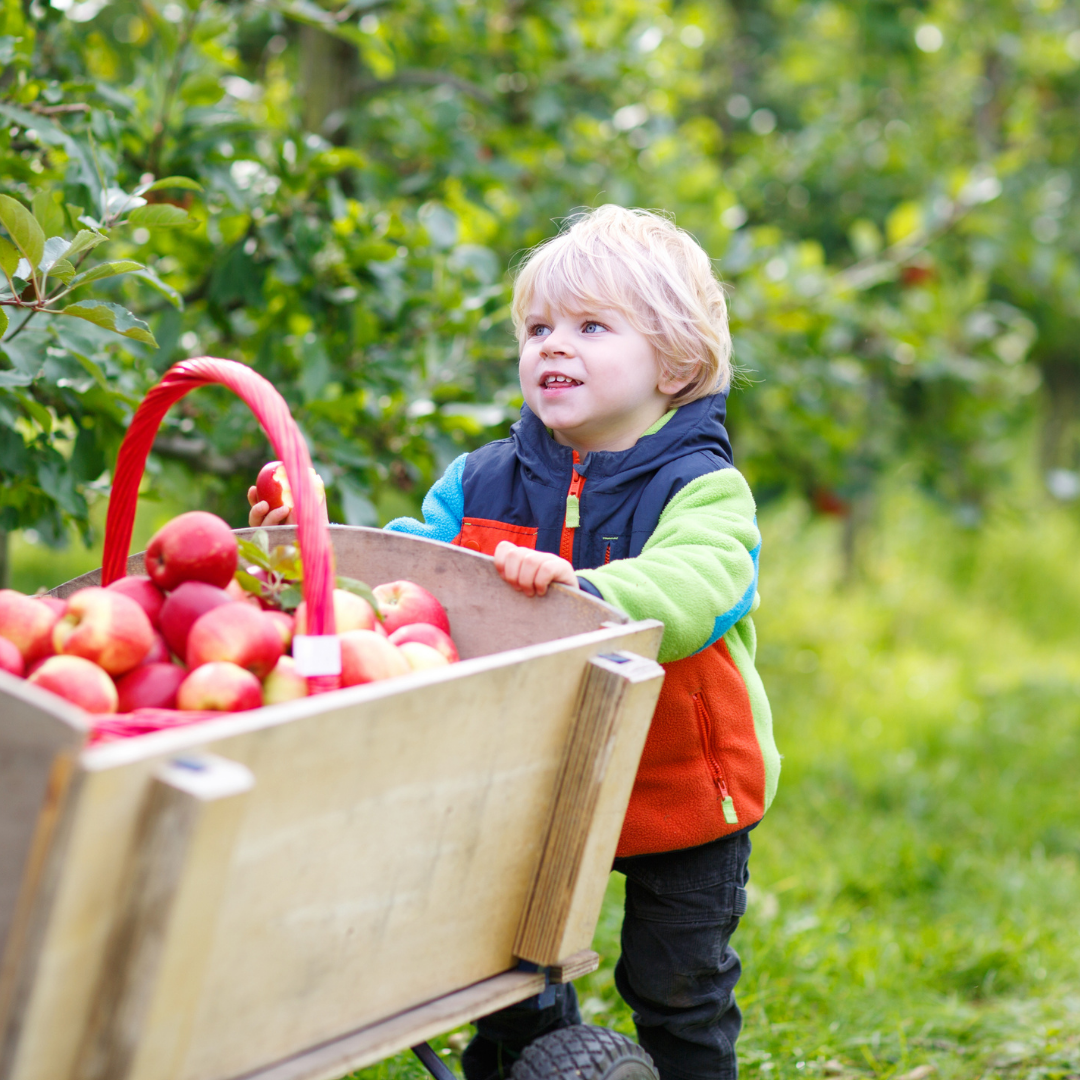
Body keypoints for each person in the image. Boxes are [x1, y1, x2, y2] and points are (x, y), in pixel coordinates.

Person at [248, 205, 779, 1080]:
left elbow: (699, 584)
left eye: (590, 327)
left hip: (675, 782)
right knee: (504, 976)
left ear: (676, 363)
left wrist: (589, 595)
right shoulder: (480, 479)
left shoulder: (704, 489)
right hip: (523, 770)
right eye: (538, 328)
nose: (553, 347)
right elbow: (406, 576)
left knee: (679, 989)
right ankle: (540, 1061)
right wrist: (309, 550)